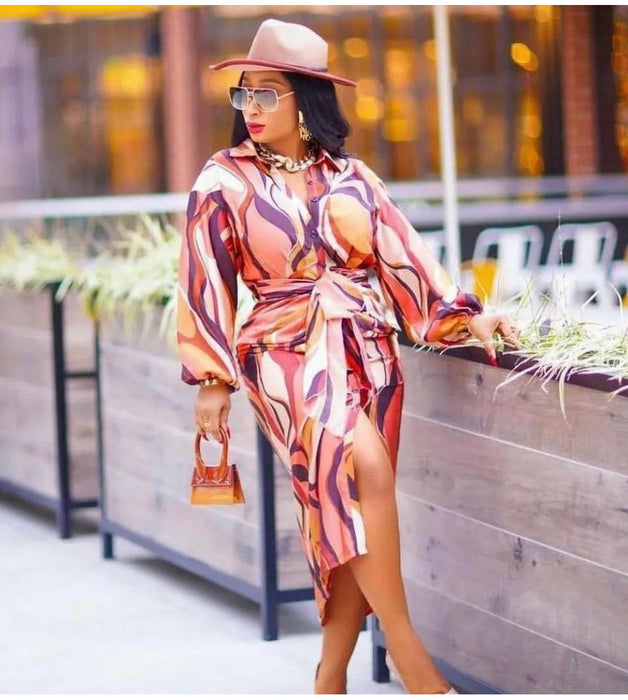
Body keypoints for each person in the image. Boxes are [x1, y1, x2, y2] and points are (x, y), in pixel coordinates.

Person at [176, 18, 520, 695]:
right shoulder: (222, 180)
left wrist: (467, 315)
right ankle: (410, 655)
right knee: (361, 468)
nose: (251, 106)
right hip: (280, 349)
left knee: (343, 503)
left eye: (267, 93)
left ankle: (329, 676)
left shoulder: (354, 178)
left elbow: (406, 261)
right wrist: (211, 378)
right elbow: (202, 277)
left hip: (367, 351)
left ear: (305, 99)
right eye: (244, 92)